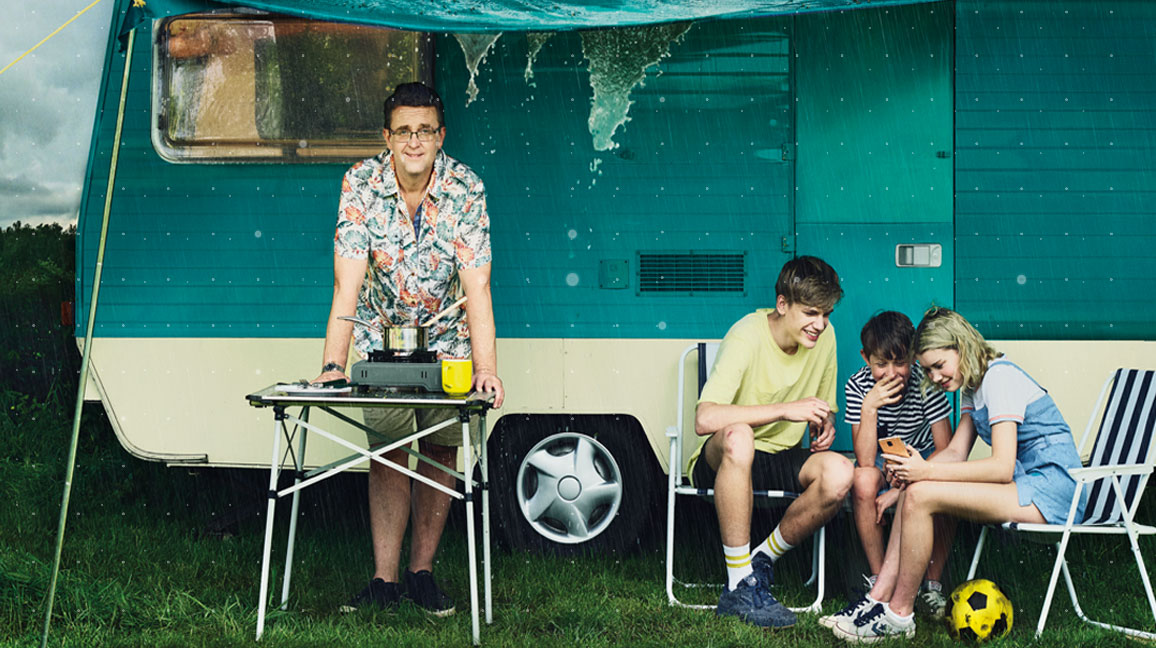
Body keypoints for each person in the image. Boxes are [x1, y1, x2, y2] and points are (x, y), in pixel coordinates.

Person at [312, 82, 505, 616]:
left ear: (440, 136)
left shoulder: (467, 189)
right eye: (404, 131)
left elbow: (477, 288)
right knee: (390, 450)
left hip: (449, 343)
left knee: (442, 449)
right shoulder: (360, 184)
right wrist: (333, 365)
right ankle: (384, 580)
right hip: (382, 340)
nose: (414, 141)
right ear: (387, 137)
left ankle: (422, 573)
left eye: (425, 131)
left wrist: (486, 370)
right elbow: (345, 284)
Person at [831, 307, 1087, 642]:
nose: (935, 377)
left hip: (1052, 491)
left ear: (962, 347)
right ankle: (878, 598)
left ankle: (899, 614)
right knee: (917, 487)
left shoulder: (999, 377)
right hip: (1027, 485)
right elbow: (954, 452)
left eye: (939, 365)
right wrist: (916, 469)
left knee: (921, 493)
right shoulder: (972, 386)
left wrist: (926, 470)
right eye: (927, 369)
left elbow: (1001, 466)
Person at [690, 256, 853, 629]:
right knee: (740, 435)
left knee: (841, 472)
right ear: (783, 305)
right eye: (811, 312)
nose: (820, 324)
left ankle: (760, 561)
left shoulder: (824, 338)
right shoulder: (747, 334)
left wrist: (824, 422)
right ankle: (737, 585)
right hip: (725, 457)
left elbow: (825, 405)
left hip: (781, 455)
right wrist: (785, 410)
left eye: (826, 314)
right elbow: (705, 419)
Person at [830, 311, 953, 621]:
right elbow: (866, 460)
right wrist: (870, 406)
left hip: (925, 459)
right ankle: (879, 581)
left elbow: (947, 450)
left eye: (900, 363)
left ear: (912, 357)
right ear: (865, 357)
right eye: (880, 364)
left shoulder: (927, 383)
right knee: (863, 479)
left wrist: (903, 486)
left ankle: (931, 586)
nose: (891, 374)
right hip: (884, 463)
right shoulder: (858, 386)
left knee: (945, 484)